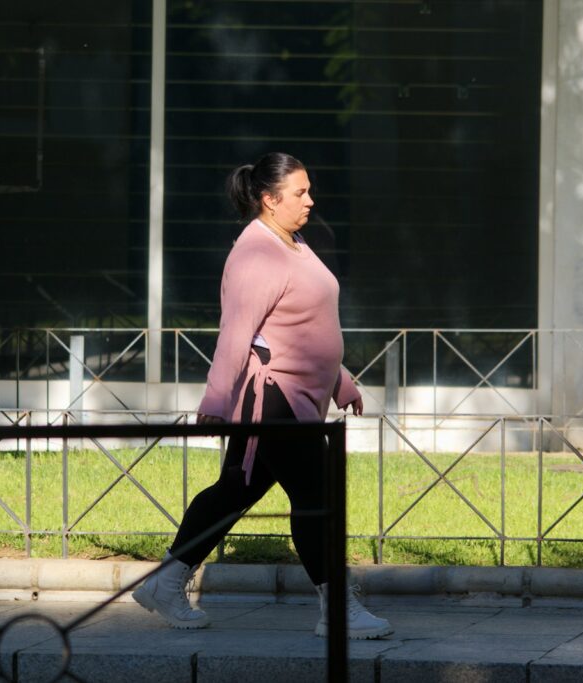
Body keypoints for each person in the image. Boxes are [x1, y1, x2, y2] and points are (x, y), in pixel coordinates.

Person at [132, 153, 393, 640]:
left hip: (299, 398)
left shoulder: (293, 243)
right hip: (274, 399)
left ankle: (165, 583)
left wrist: (340, 380)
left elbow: (301, 326)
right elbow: (236, 334)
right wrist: (214, 402)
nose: (310, 200)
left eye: (309, 190)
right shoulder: (254, 252)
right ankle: (336, 608)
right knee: (316, 498)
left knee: (235, 490)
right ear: (270, 200)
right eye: (300, 192)